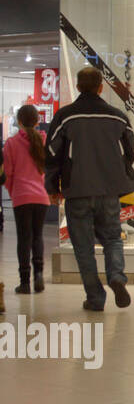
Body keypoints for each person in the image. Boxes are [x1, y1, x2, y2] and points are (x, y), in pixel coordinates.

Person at [44, 67, 134, 310]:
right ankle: (116, 277)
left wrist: (52, 186)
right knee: (112, 239)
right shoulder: (117, 116)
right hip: (108, 190)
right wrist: (117, 167)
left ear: (77, 87)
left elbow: (52, 153)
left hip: (77, 190)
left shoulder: (65, 116)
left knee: (83, 246)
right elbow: (131, 149)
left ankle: (95, 297)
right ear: (101, 87)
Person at [3, 104, 51, 295]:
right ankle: (39, 275)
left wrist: (13, 191)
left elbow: (8, 174)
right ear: (38, 121)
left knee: (24, 238)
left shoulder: (11, 143)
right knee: (37, 236)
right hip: (41, 197)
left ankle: (24, 282)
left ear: (19, 122)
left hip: (21, 196)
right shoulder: (43, 140)